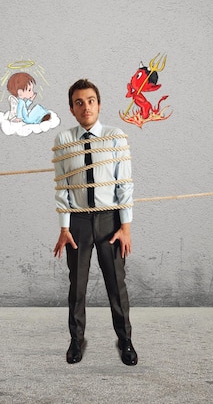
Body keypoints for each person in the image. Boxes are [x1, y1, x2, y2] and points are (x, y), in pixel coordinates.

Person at [53, 79, 137, 366]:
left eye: (90, 100)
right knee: (76, 286)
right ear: (72, 110)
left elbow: (124, 185)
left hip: (109, 220)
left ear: (99, 105)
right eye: (79, 102)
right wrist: (64, 228)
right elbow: (62, 187)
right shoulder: (64, 141)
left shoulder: (116, 137)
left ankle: (125, 340)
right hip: (78, 222)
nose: (85, 107)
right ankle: (76, 340)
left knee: (117, 284)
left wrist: (125, 228)